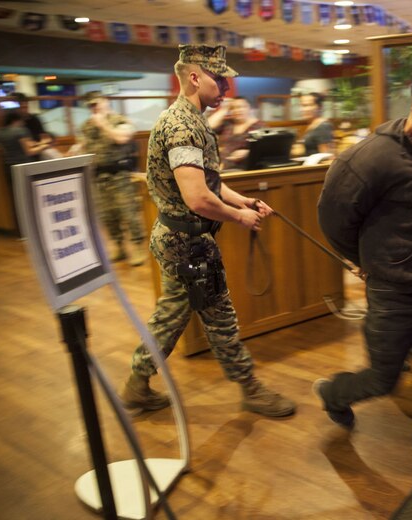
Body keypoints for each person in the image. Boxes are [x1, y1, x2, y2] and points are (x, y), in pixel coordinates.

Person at [119, 44, 296, 418]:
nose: (226, 88)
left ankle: (137, 385)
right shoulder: (182, 126)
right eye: (219, 79)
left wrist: (242, 201)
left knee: (171, 316)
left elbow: (211, 184)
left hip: (182, 238)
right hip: (187, 244)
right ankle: (249, 387)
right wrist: (240, 218)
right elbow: (198, 198)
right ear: (195, 77)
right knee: (220, 317)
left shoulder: (191, 119)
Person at [314, 67, 412, 468]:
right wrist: (368, 262)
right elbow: (333, 218)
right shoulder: (371, 157)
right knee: (384, 379)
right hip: (393, 292)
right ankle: (333, 394)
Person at [79, 91, 146, 266]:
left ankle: (138, 246)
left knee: (128, 212)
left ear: (105, 101)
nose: (94, 108)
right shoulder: (87, 126)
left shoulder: (120, 121)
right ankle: (118, 246)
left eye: (97, 103)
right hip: (100, 176)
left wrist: (102, 125)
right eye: (91, 105)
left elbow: (121, 138)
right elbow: (84, 146)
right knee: (107, 214)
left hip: (120, 174)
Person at [207, 96, 265, 170]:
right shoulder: (228, 123)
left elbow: (266, 150)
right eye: (233, 108)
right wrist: (224, 109)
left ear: (249, 108)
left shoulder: (258, 126)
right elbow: (207, 126)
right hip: (221, 167)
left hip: (245, 169)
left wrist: (248, 152)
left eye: (241, 107)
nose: (237, 110)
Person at [10, 92, 60, 161]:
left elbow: (45, 138)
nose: (24, 110)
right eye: (21, 108)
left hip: (37, 155)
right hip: (19, 158)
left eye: (26, 107)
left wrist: (39, 144)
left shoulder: (34, 119)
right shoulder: (11, 124)